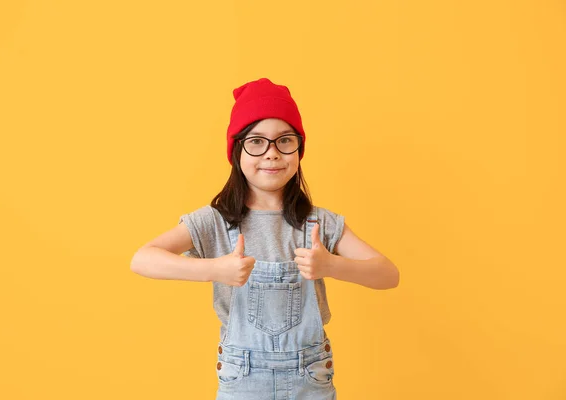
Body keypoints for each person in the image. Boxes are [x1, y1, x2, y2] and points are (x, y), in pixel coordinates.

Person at [130, 77, 400, 399]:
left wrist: (331, 266)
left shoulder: (318, 222)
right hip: (242, 380)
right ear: (236, 151)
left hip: (311, 379)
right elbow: (142, 259)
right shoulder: (215, 221)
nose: (272, 153)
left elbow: (388, 274)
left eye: (284, 140)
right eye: (256, 142)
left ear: (298, 149)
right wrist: (215, 270)